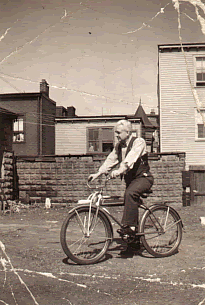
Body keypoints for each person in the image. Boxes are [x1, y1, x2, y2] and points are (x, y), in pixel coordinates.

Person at [88, 119, 154, 256]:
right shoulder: (119, 146)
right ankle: (133, 243)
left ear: (128, 132)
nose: (116, 135)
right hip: (132, 181)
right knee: (129, 202)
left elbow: (130, 159)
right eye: (115, 133)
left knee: (129, 194)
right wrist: (98, 173)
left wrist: (119, 171)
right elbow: (110, 160)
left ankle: (129, 228)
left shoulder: (138, 142)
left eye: (118, 132)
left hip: (143, 178)